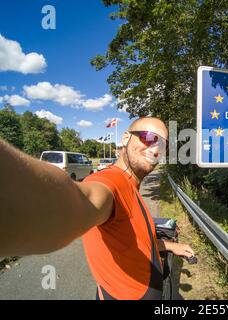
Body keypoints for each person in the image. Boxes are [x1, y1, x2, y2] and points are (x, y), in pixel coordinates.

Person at [0, 116, 194, 300]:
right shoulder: (112, 181)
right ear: (126, 138)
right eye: (148, 138)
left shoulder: (132, 186)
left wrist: (168, 246)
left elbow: (135, 242)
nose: (155, 150)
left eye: (162, 144)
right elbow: (79, 200)